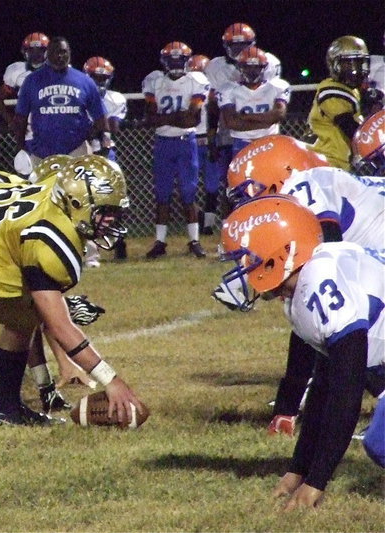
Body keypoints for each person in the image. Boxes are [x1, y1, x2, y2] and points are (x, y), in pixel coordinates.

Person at [0, 156, 144, 445]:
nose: (111, 220)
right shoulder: (50, 237)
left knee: (24, 316)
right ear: (78, 204)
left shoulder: (55, 195)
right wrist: (111, 379)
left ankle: (6, 408)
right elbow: (60, 328)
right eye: (105, 212)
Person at [219, 195, 384, 509]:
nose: (240, 269)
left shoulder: (320, 283)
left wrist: (316, 483)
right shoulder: (306, 285)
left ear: (278, 253)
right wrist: (298, 470)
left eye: (245, 258)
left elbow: (346, 394)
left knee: (381, 442)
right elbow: (323, 388)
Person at [217, 134, 385, 437]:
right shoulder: (325, 182)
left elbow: (321, 297)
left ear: (278, 177)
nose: (246, 204)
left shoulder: (304, 189)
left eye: (248, 192)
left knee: (353, 340)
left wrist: (288, 406)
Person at [203, 23, 281, 237]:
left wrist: (248, 119)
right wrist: (212, 135)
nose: (237, 51)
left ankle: (269, 227)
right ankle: (232, 231)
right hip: (231, 132)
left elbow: (271, 99)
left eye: (242, 46)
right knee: (233, 184)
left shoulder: (268, 62)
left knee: (270, 181)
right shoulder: (215, 67)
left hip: (264, 133)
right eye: (233, 46)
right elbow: (212, 107)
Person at [143, 41, 210, 259]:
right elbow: (151, 118)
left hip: (185, 142)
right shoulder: (154, 80)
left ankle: (194, 241)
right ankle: (160, 242)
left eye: (179, 60)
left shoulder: (196, 81)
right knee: (162, 194)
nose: (175, 64)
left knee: (188, 193)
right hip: (163, 142)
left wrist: (167, 118)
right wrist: (176, 117)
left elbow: (193, 118)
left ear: (186, 61)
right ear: (164, 61)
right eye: (171, 60)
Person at [13, 37, 110, 169]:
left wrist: (88, 136)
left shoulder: (85, 81)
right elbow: (20, 118)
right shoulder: (32, 81)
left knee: (77, 189)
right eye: (55, 52)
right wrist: (20, 147)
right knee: (42, 189)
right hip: (41, 153)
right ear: (48, 54)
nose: (60, 56)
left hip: (76, 151)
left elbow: (101, 119)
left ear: (69, 53)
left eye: (64, 52)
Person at [83, 56, 129, 261]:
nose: (100, 82)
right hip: (82, 152)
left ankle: (119, 242)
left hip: (106, 153)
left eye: (103, 78)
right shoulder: (79, 96)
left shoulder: (115, 98)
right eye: (95, 77)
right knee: (85, 202)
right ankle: (88, 250)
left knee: (113, 201)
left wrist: (94, 128)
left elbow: (113, 127)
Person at [307, 35, 370, 169]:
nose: (355, 69)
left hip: (339, 163)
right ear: (334, 65)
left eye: (358, 63)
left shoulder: (352, 90)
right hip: (326, 162)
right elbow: (349, 126)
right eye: (348, 64)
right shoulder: (330, 89)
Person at [218, 47, 290, 158]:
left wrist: (245, 117)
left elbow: (278, 115)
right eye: (247, 67)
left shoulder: (276, 86)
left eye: (256, 67)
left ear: (264, 67)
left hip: (269, 142)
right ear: (239, 67)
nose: (251, 71)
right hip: (241, 143)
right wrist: (266, 122)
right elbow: (232, 123)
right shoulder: (228, 89)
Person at [0, 32, 49, 174]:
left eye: (40, 50)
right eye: (32, 50)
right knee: (29, 178)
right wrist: (11, 121)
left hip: (55, 132)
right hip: (29, 135)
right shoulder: (16, 71)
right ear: (25, 52)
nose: (36, 55)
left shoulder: (59, 71)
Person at [184, 54, 217, 236]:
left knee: (212, 186)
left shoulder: (211, 92)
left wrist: (213, 139)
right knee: (188, 186)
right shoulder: (183, 89)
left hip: (207, 138)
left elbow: (214, 116)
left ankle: (208, 225)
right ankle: (201, 218)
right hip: (190, 139)